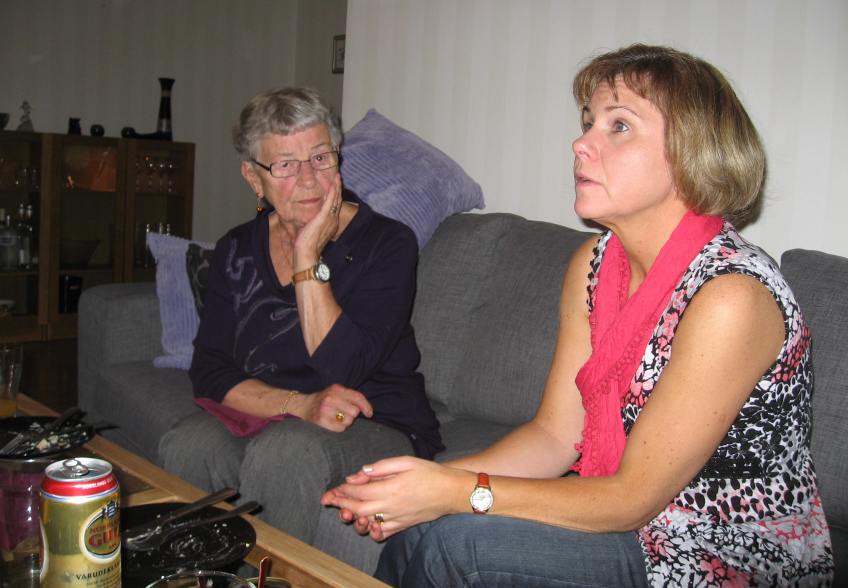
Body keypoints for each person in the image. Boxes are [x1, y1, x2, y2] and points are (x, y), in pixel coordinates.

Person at [321, 45, 834, 586]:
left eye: (619, 126)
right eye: (589, 123)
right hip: (635, 525)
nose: (581, 143)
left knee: (458, 544)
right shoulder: (593, 266)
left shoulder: (731, 296)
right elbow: (555, 436)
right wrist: (415, 485)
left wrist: (454, 493)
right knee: (420, 528)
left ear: (692, 153)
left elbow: (632, 498)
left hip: (724, 553)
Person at [159, 87, 443, 546]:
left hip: (376, 420)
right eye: (286, 165)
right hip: (280, 414)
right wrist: (297, 404)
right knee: (189, 443)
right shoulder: (236, 249)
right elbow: (209, 370)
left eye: (320, 158)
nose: (309, 180)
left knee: (286, 452)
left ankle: (271, 574)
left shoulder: (387, 244)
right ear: (254, 179)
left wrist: (307, 255)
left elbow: (342, 368)